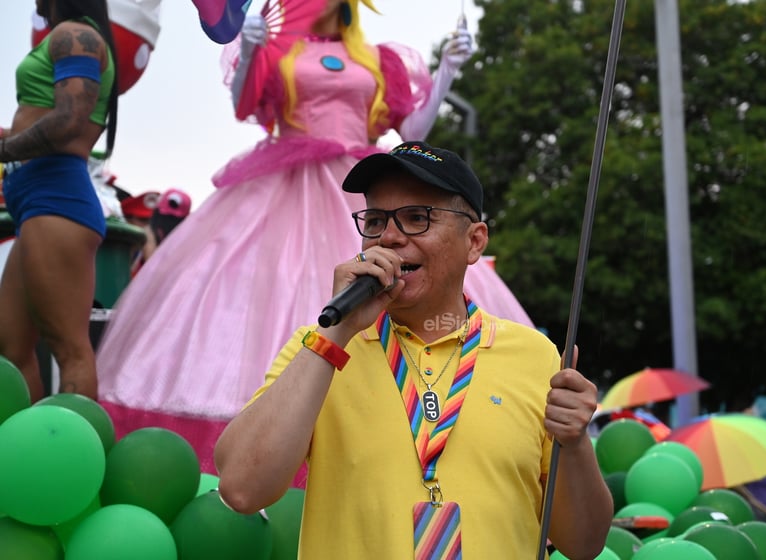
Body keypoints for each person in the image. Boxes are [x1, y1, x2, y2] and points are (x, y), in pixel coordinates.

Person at [96, 0, 532, 474]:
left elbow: (412, 131)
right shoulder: (279, 45)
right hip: (283, 185)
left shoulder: (375, 58)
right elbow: (245, 105)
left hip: (361, 183)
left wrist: (446, 70)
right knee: (268, 291)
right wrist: (249, 49)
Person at [214, 141, 614, 558]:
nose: (389, 236)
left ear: (474, 242)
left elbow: (584, 543)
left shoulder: (534, 355)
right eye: (375, 220)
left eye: (417, 218)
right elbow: (242, 489)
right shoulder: (319, 347)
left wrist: (577, 442)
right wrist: (336, 335)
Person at [0, 0, 118, 401]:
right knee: (12, 347)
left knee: (69, 348)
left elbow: (70, 119)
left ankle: (78, 457)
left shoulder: (76, 36)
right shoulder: (67, 35)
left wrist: (6, 151)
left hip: (57, 201)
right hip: (37, 204)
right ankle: (34, 453)